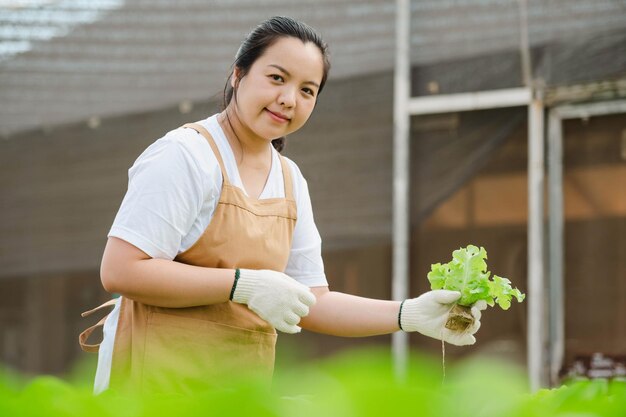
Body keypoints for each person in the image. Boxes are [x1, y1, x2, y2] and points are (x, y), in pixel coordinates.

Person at [79, 16, 486, 395]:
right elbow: (121, 269)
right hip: (152, 391)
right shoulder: (186, 155)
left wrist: (408, 315)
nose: (289, 99)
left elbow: (314, 302)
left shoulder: (290, 179)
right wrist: (243, 285)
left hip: (238, 397)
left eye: (307, 90)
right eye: (277, 78)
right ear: (237, 75)